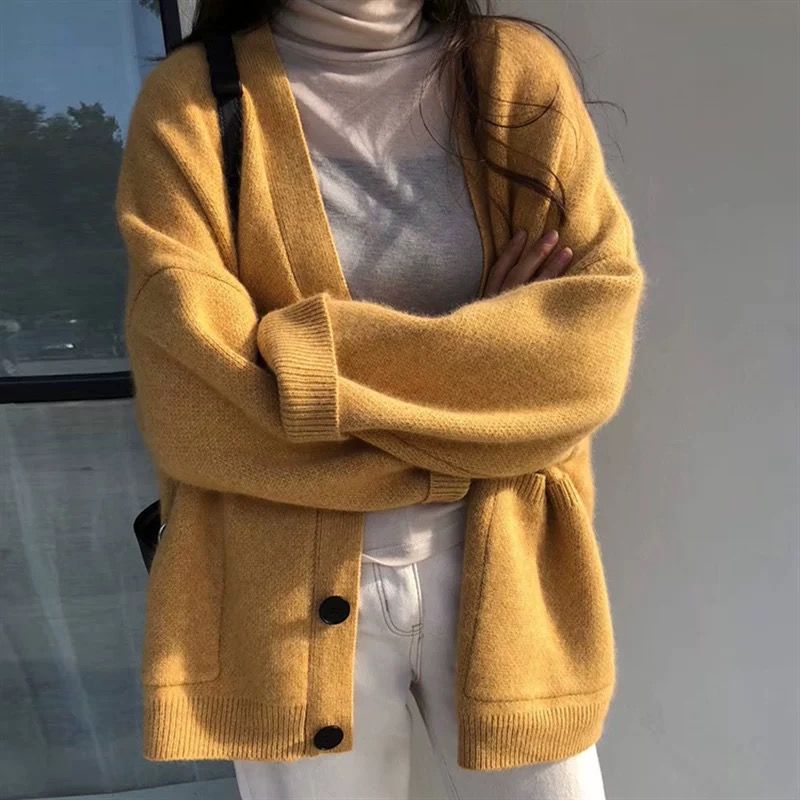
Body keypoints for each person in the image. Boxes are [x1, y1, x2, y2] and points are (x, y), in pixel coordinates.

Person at [115, 1, 646, 798]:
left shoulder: (509, 73)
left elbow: (580, 359)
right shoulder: (192, 101)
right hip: (277, 598)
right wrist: (484, 378)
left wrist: (296, 368)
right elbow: (193, 399)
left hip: (509, 565)